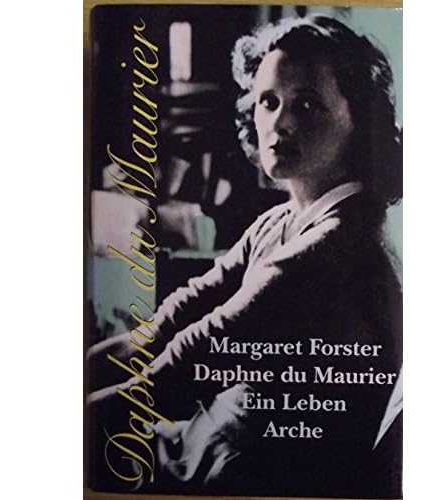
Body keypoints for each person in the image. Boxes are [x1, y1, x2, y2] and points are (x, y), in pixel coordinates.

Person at [87, 15, 403, 498]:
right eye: (268, 101)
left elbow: (194, 355)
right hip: (213, 442)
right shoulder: (281, 221)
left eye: (307, 103)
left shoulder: (336, 240)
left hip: (257, 473)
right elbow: (179, 315)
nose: (279, 122)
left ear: (361, 119)